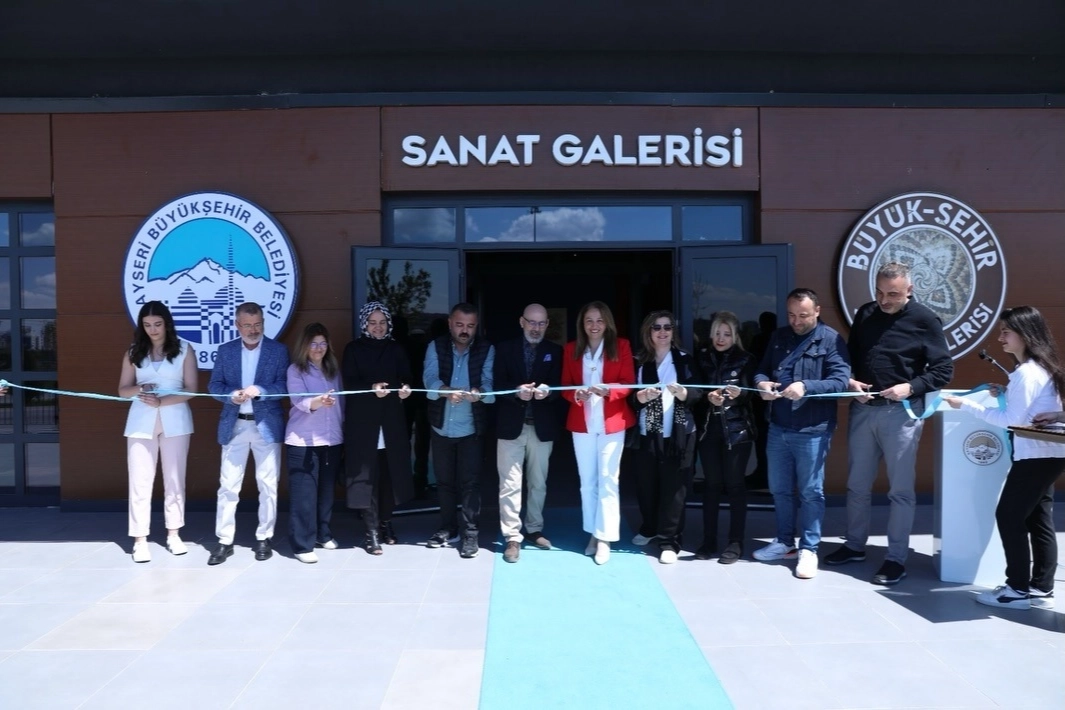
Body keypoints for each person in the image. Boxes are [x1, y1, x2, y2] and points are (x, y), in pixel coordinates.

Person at [824, 262, 954, 585]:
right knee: (856, 485)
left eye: (893, 294)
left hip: (902, 414)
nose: (884, 300)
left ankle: (896, 559)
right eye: (879, 292)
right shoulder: (866, 314)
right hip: (863, 410)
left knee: (900, 491)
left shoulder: (925, 320)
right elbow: (849, 357)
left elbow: (943, 370)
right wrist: (850, 381)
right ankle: (855, 545)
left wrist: (910, 387)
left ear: (909, 289)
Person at [945, 306, 1065, 609]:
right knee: (1038, 518)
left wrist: (965, 405)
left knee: (1009, 516)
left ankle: (1017, 590)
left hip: (1035, 456)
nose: (1000, 338)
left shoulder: (1026, 373)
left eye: (1005, 332)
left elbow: (1011, 421)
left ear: (1025, 335)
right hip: (1050, 454)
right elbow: (1028, 409)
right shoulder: (1042, 367)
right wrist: (1005, 393)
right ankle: (1040, 588)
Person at [752, 289, 850, 579]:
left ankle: (809, 549)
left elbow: (840, 380)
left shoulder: (831, 339)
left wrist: (806, 386)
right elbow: (761, 370)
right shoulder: (779, 336)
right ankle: (784, 543)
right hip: (778, 426)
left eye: (803, 315)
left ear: (817, 311)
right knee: (779, 489)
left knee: (810, 492)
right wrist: (762, 385)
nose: (796, 321)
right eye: (792, 315)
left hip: (812, 429)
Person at [206, 302, 290, 565]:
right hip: (235, 425)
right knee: (228, 485)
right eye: (247, 325)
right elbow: (214, 385)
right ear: (237, 325)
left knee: (268, 485)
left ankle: (264, 537)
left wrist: (261, 391)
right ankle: (224, 541)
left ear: (263, 323)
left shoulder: (278, 350)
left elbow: (284, 386)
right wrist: (231, 396)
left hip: (267, 426)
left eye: (258, 324)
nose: (253, 330)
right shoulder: (226, 350)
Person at [117, 301, 197, 563]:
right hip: (141, 421)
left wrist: (162, 401)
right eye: (147, 325)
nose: (153, 329)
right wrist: (142, 389)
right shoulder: (133, 351)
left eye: (158, 324)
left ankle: (174, 534)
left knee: (174, 478)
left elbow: (191, 389)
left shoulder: (184, 349)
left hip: (176, 419)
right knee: (140, 480)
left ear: (167, 324)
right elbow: (123, 390)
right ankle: (140, 539)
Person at [561, 301, 636, 565]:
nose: (594, 325)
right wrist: (576, 394)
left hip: (612, 421)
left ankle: (605, 538)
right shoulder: (571, 349)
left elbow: (629, 384)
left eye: (600, 320)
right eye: (589, 320)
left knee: (608, 479)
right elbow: (565, 386)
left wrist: (609, 390)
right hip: (582, 423)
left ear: (608, 323)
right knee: (587, 482)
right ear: (582, 324)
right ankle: (593, 532)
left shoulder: (621, 346)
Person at [423, 303, 495, 559]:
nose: (465, 330)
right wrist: (445, 391)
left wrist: (479, 394)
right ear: (450, 323)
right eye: (460, 325)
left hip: (471, 428)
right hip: (441, 426)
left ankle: (470, 534)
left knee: (470, 484)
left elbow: (490, 388)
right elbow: (429, 381)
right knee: (444, 482)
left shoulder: (487, 349)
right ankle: (447, 528)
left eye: (470, 326)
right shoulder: (435, 346)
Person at [343, 302, 415, 555]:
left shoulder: (395, 349)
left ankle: (386, 522)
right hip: (364, 425)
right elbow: (349, 383)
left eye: (382, 322)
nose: (378, 327)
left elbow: (407, 377)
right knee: (367, 478)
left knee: (388, 476)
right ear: (364, 324)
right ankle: (371, 531)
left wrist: (405, 389)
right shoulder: (353, 349)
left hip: (390, 423)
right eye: (372, 323)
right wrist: (371, 388)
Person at [494, 303, 563, 563]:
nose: (536, 328)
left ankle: (534, 529)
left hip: (542, 426)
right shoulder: (504, 349)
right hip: (511, 425)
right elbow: (496, 384)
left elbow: (561, 387)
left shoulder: (555, 351)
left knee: (538, 483)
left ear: (547, 325)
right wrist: (516, 392)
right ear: (521, 322)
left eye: (541, 323)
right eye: (532, 322)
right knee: (509, 485)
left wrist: (548, 392)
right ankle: (512, 537)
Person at [630, 310, 700, 564]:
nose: (662, 332)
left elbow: (698, 393)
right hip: (647, 433)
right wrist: (639, 398)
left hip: (678, 434)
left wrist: (684, 393)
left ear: (673, 331)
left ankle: (670, 541)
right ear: (648, 332)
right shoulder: (640, 361)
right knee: (646, 485)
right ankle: (650, 527)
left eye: (667, 327)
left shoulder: (684, 360)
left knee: (674, 488)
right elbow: (628, 396)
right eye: (656, 327)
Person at [695, 310, 758, 564]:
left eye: (727, 334)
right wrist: (707, 397)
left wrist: (737, 395)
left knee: (735, 486)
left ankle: (735, 542)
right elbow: (695, 391)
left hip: (737, 430)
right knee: (711, 486)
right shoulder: (702, 357)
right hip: (709, 429)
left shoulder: (746, 359)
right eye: (717, 333)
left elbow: (751, 392)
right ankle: (708, 540)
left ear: (735, 336)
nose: (721, 338)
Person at [285, 323, 342, 564]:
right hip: (302, 441)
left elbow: (342, 405)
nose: (319, 348)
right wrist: (320, 400)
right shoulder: (295, 370)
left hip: (331, 439)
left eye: (323, 343)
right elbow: (299, 401)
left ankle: (322, 534)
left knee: (326, 493)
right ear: (304, 346)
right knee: (304, 496)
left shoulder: (333, 370)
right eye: (313, 343)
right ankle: (302, 545)